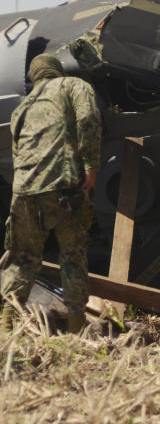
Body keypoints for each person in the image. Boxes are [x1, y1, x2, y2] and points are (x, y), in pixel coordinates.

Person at [1, 54, 101, 335]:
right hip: (65, 187)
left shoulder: (21, 108)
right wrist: (91, 166)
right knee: (72, 255)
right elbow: (89, 118)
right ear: (57, 70)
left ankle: (6, 329)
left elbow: (16, 153)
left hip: (24, 190)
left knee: (21, 257)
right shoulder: (73, 85)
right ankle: (76, 331)